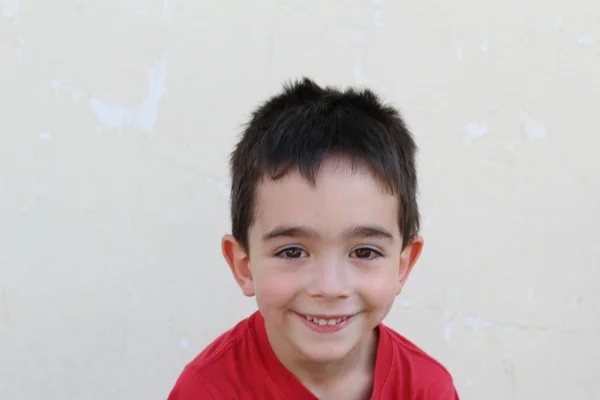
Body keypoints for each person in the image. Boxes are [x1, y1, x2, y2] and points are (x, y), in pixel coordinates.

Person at [168, 78, 459, 399]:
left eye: (364, 252)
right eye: (292, 252)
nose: (329, 288)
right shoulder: (208, 391)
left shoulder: (426, 389)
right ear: (244, 265)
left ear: (403, 265)